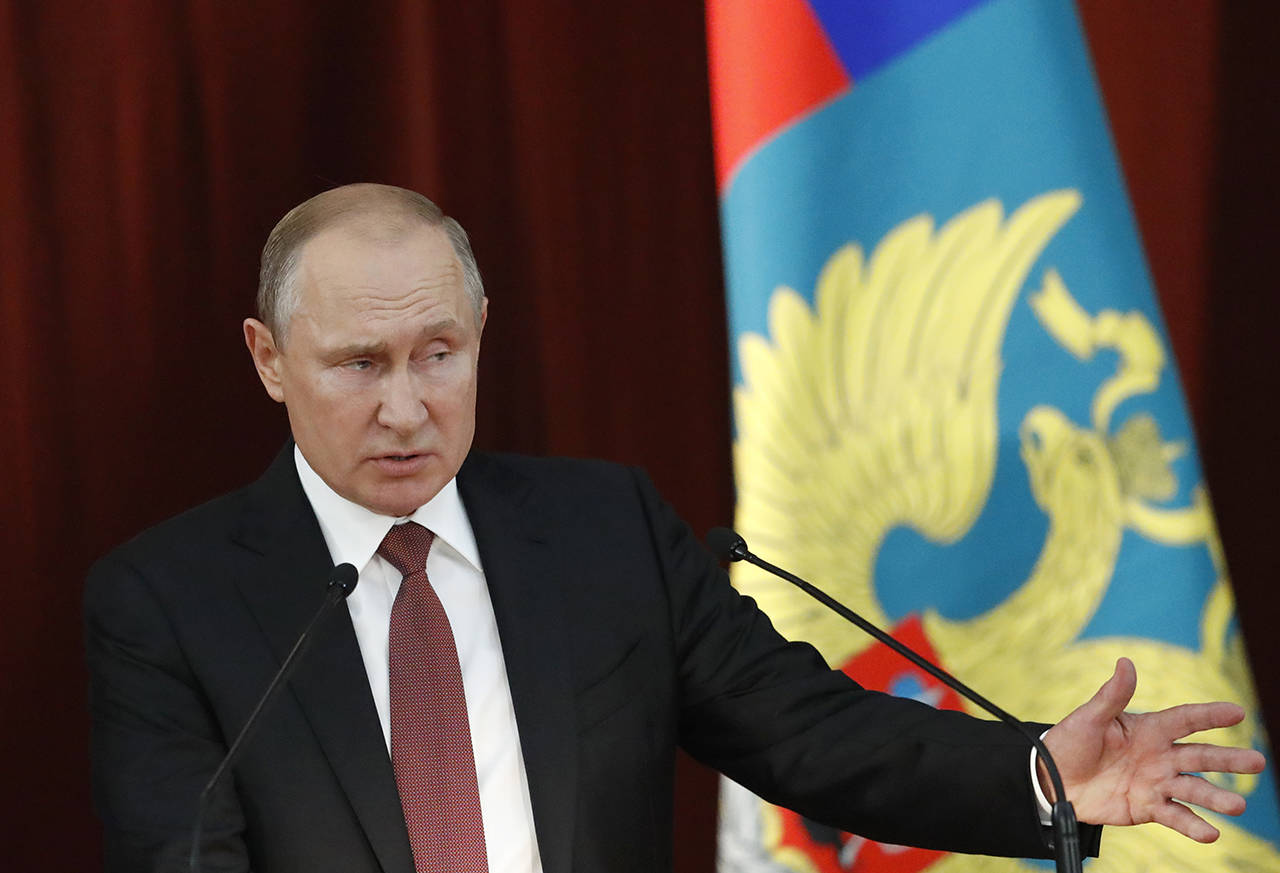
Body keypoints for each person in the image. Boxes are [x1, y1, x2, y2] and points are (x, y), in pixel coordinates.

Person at [84, 183, 1265, 873]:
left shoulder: (604, 532)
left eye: (438, 354)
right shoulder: (166, 604)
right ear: (268, 360)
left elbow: (809, 734)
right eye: (359, 363)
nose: (407, 407)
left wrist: (1037, 774)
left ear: (483, 330)